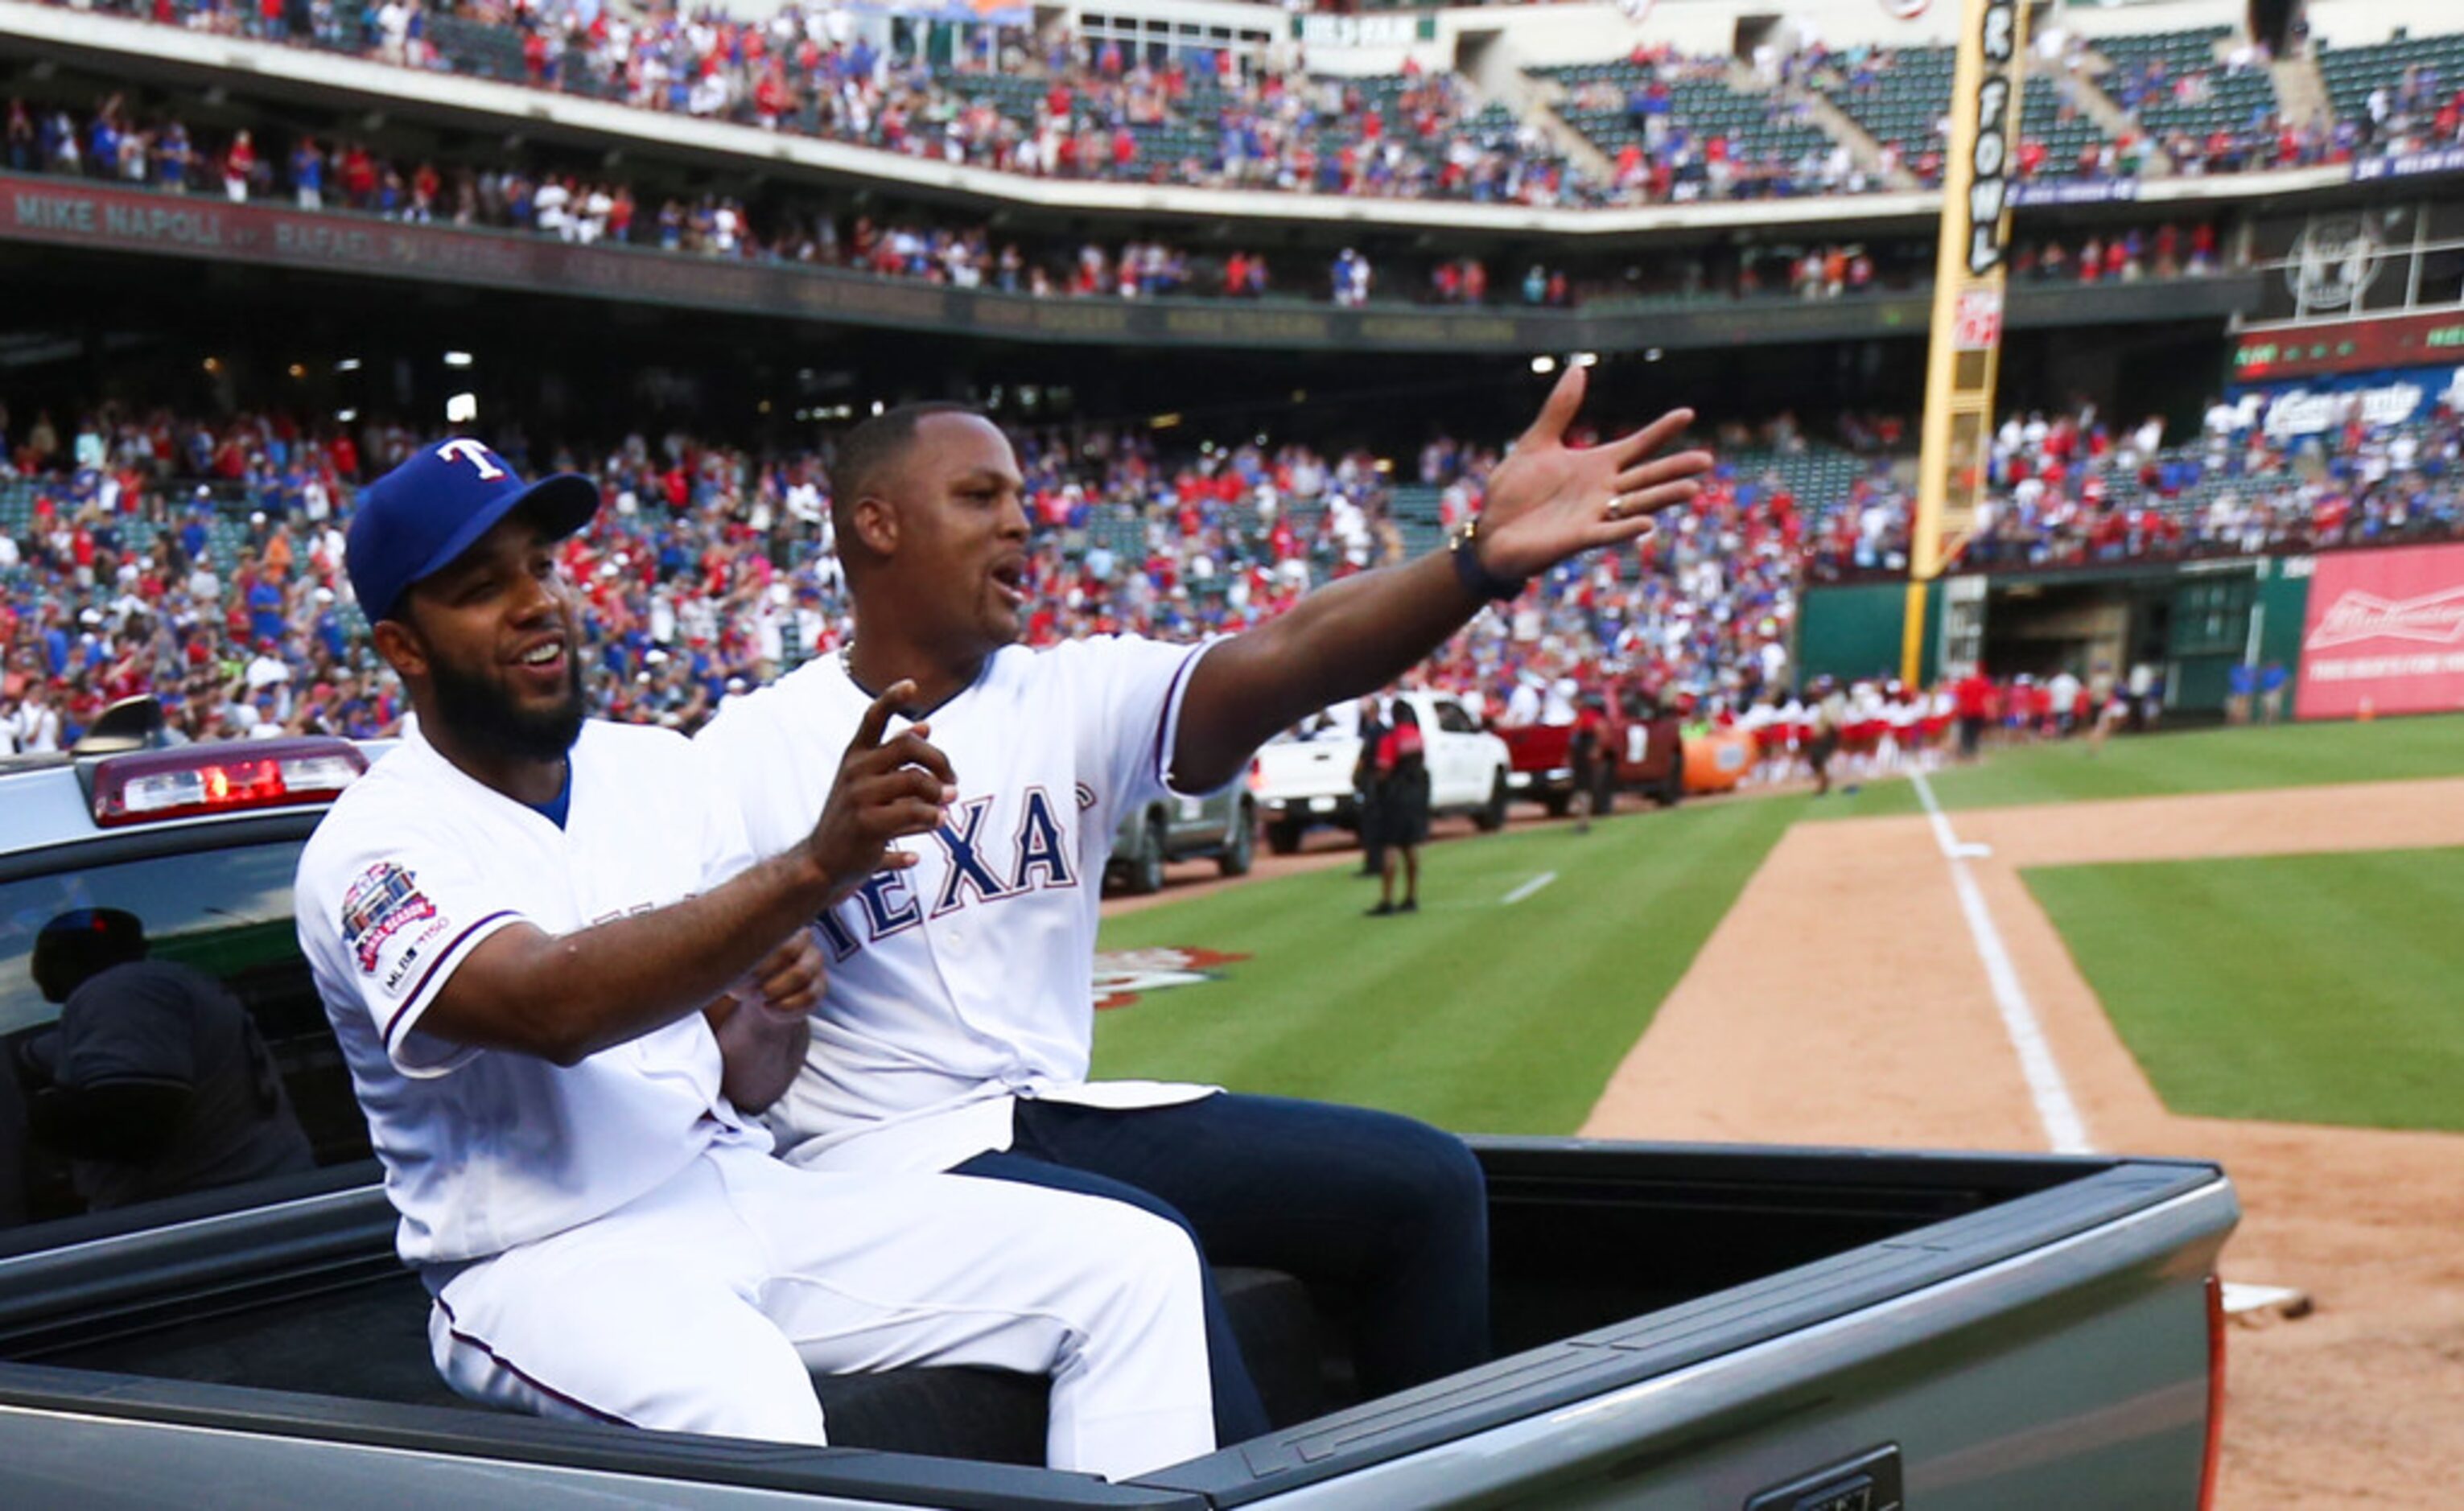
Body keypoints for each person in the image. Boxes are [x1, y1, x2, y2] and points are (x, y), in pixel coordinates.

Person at [698, 378, 1710, 1441]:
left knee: (1426, 1185)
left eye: (1018, 497)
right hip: (877, 1160)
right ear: (878, 523)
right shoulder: (744, 756)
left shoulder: (1069, 691)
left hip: (1048, 1112)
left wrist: (1471, 563)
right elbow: (713, 1029)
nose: (1020, 521)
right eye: (978, 495)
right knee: (1152, 1250)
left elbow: (1284, 656)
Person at [295, 440, 1213, 1474]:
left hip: (737, 1186)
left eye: (542, 565)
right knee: (757, 1418)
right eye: (478, 587)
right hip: (544, 1260)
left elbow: (746, 1074)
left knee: (1130, 1265)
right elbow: (549, 1008)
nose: (534, 601)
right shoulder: (372, 848)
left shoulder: (655, 767)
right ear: (402, 647)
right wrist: (815, 867)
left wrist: (773, 1013)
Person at [19, 908, 313, 1213]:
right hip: (254, 1198)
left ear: (60, 957)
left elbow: (130, 1122)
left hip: (204, 1216)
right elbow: (34, 1056)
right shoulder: (163, 991)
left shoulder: (122, 992)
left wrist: (26, 1118)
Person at [1366, 699, 1429, 914]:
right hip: (1416, 796)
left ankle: (1387, 900)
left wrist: (1373, 782)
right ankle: (1411, 896)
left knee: (1390, 847)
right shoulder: (1417, 736)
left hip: (1394, 798)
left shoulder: (1390, 739)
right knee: (1410, 847)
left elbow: (1384, 769)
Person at [1350, 692, 1389, 879]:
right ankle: (1375, 862)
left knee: (1372, 826)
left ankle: (1375, 864)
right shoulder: (1377, 730)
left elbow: (1368, 758)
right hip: (1374, 783)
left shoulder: (1375, 732)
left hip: (1373, 783)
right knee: (1372, 825)